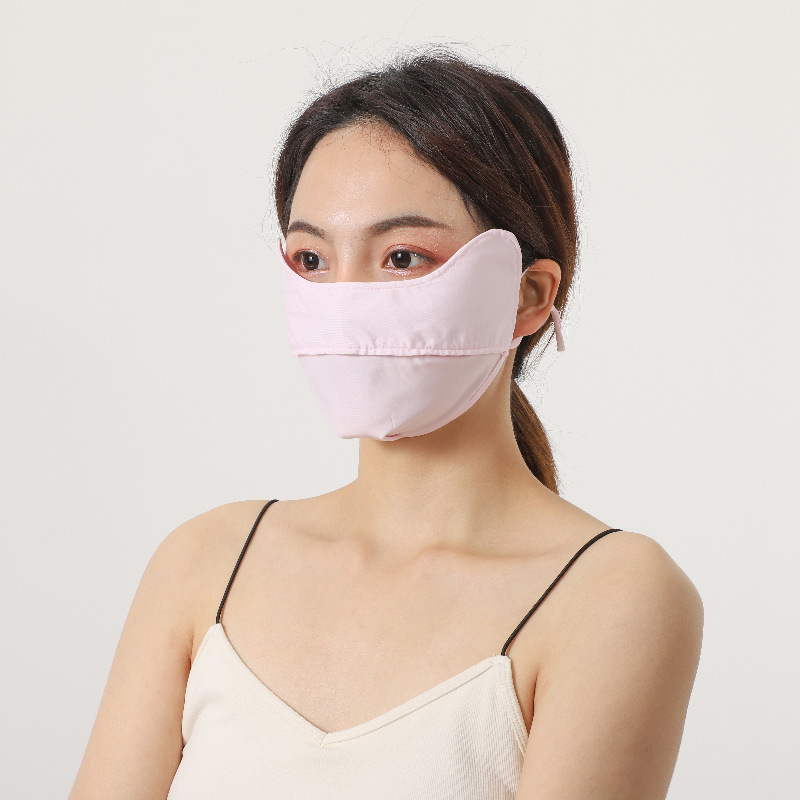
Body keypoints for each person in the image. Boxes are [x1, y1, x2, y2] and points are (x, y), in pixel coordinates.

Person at [69, 49, 704, 800]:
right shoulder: (205, 562)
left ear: (529, 295)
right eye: (312, 258)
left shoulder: (612, 594)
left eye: (401, 257)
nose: (345, 300)